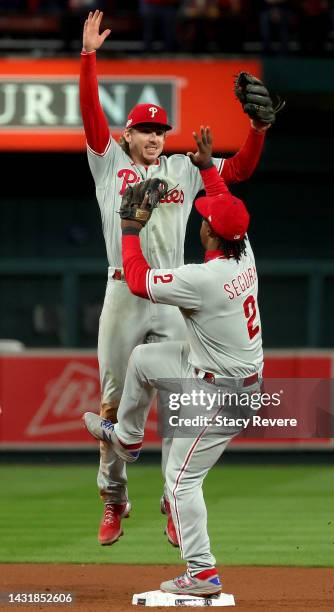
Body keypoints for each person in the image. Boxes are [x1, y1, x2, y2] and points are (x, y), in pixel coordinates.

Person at [80, 9, 270, 547]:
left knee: (180, 402)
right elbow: (92, 116)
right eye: (146, 129)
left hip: (174, 295)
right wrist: (88, 58)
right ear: (128, 134)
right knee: (113, 402)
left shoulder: (186, 169)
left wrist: (257, 132)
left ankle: (172, 498)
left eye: (162, 129)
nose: (156, 136)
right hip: (124, 288)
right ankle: (114, 498)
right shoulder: (107, 163)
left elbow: (238, 174)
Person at [84, 133, 263, 596]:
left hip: (221, 396)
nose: (201, 220)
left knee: (181, 482)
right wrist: (207, 167)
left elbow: (140, 280)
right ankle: (125, 435)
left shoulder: (201, 279)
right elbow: (223, 201)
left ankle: (202, 574)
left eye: (204, 220)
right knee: (142, 360)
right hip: (215, 367)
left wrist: (129, 228)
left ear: (210, 234)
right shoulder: (244, 254)